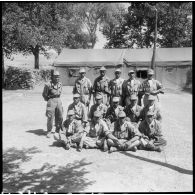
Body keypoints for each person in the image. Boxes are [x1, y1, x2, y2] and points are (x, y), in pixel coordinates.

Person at [42, 70, 63, 138]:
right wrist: (49, 100)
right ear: (52, 77)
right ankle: (49, 131)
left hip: (58, 100)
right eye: (55, 77)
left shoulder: (60, 84)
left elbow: (60, 92)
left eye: (58, 77)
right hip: (51, 101)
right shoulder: (48, 85)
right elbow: (44, 94)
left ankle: (57, 130)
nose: (57, 78)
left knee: (59, 116)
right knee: (50, 117)